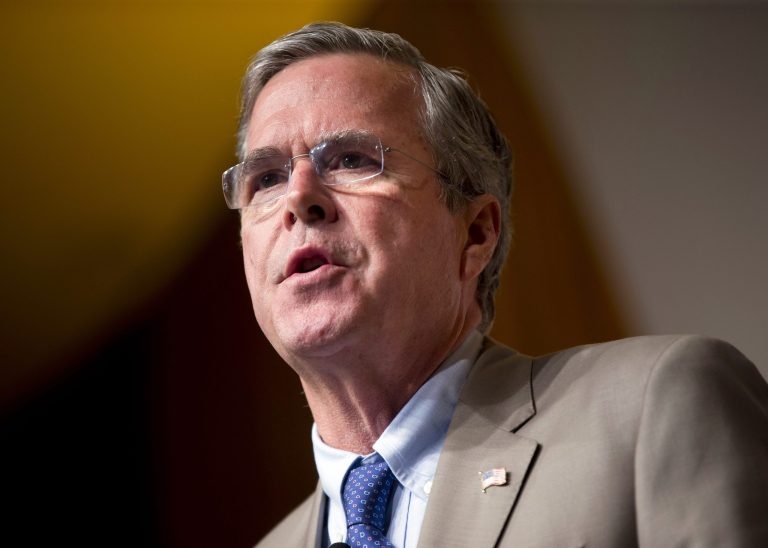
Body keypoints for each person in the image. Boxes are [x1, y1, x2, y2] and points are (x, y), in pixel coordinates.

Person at [222, 22, 768, 547]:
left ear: (476, 232)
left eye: (351, 160)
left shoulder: (654, 408)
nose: (298, 198)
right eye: (266, 178)